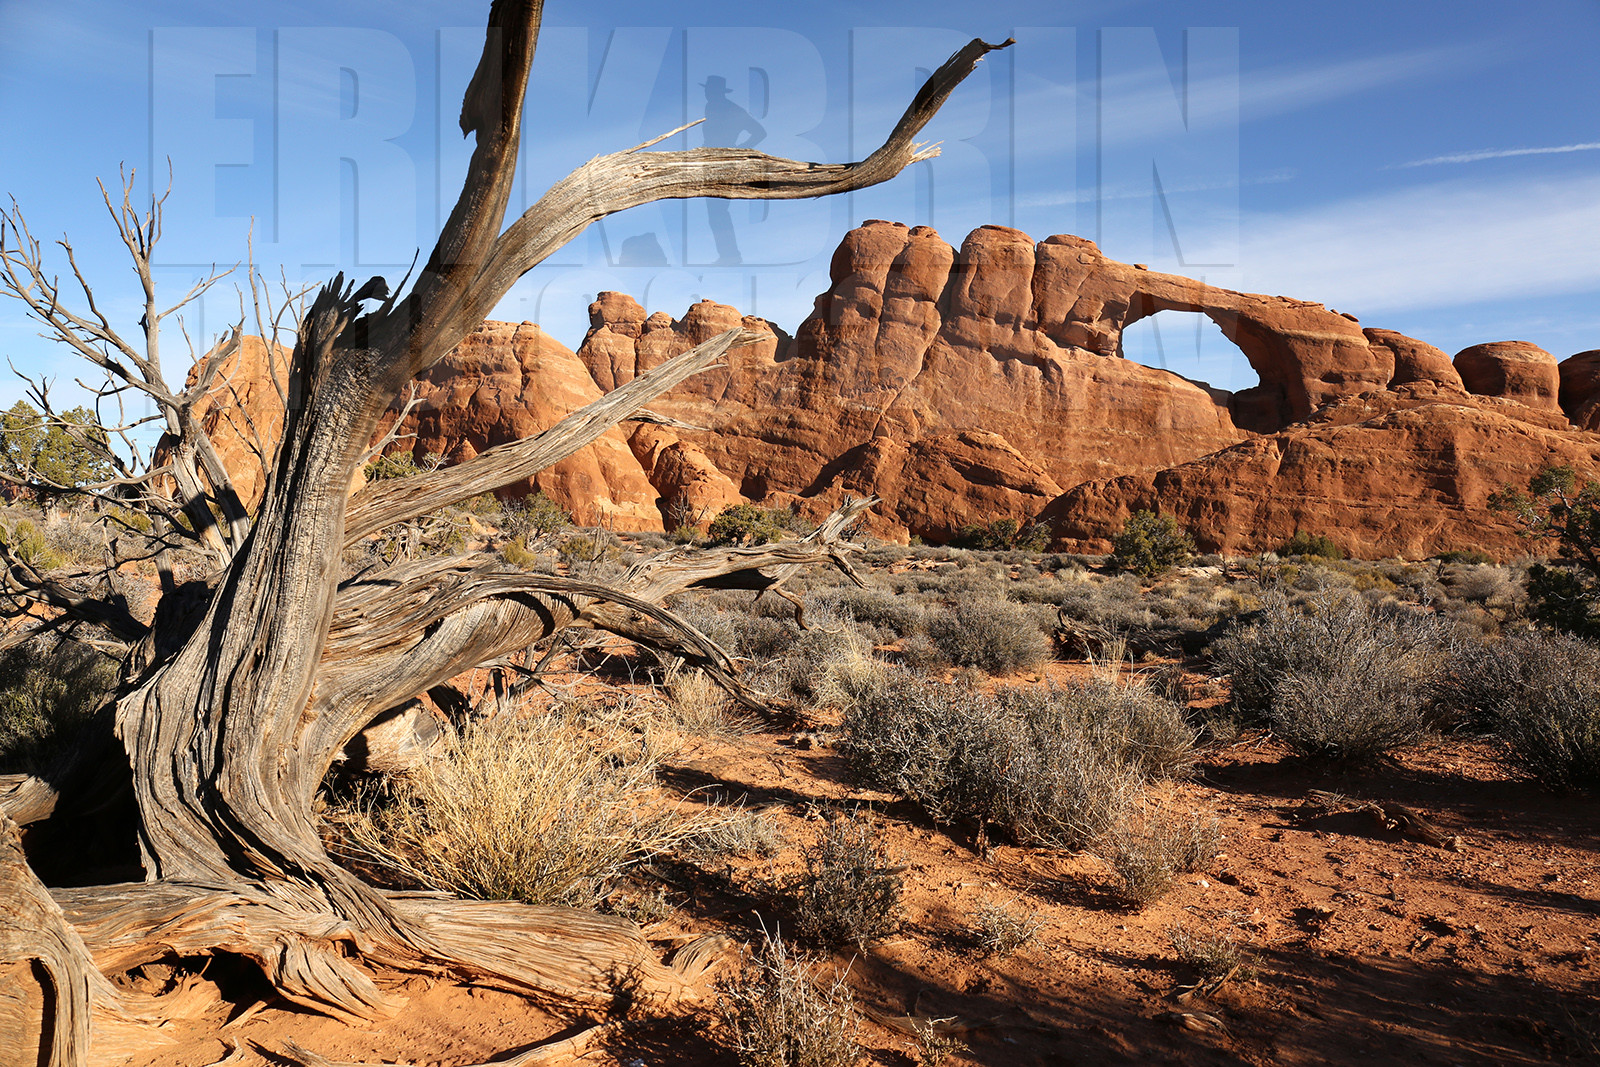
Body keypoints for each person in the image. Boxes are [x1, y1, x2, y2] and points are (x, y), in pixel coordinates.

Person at [700, 74, 766, 266]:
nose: (707, 93)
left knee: (718, 211)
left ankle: (730, 255)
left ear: (717, 92)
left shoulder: (733, 110)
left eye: (709, 90)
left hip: (725, 162)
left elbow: (760, 132)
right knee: (715, 212)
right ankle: (728, 255)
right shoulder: (710, 107)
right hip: (710, 161)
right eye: (706, 90)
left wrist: (739, 151)